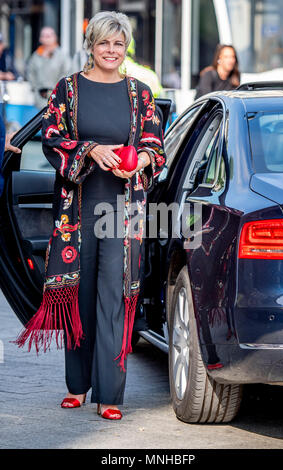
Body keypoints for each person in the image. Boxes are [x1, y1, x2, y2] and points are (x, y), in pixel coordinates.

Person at [13, 11, 166, 420]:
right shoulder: (67, 89)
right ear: (91, 46)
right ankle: (77, 387)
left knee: (114, 297)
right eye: (104, 43)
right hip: (76, 210)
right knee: (78, 295)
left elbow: (155, 143)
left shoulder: (139, 94)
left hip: (123, 211)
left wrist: (142, 161)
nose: (112, 51)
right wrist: (88, 150)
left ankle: (110, 394)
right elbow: (51, 136)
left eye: (119, 44)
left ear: (125, 47)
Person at [27, 26, 71, 109]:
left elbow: (67, 73)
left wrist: (57, 91)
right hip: (39, 100)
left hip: (58, 98)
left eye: (48, 36)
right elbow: (30, 74)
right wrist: (35, 90)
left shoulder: (62, 56)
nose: (46, 39)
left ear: (55, 38)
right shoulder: (35, 56)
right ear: (40, 39)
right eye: (44, 36)